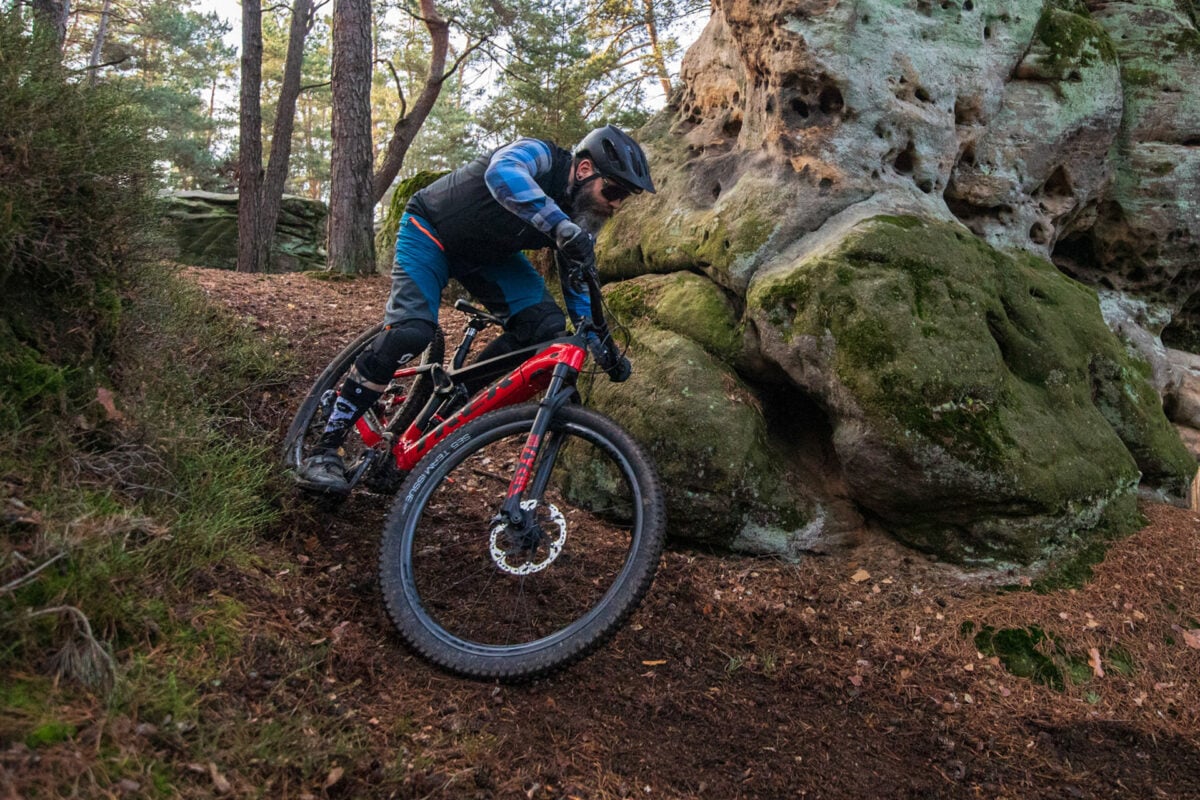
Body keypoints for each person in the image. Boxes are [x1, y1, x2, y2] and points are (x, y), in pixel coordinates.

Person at [297, 124, 656, 493]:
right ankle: (326, 446)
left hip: (487, 258)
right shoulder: (542, 155)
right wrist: (560, 226)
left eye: (623, 198)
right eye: (612, 191)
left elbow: (579, 285)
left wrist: (601, 344)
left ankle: (453, 402)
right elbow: (503, 173)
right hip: (431, 228)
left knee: (546, 329)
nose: (614, 204)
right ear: (584, 170)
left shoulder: (580, 216)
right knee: (411, 331)